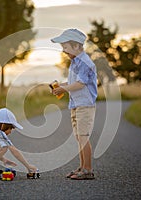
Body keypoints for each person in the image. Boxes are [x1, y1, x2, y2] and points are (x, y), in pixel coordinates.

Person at [51, 28, 97, 180]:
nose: (63, 50)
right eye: (62, 47)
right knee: (79, 137)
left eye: (65, 47)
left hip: (85, 104)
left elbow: (80, 84)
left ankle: (88, 170)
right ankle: (82, 167)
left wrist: (64, 88)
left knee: (83, 136)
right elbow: (72, 83)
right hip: (76, 104)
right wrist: (61, 86)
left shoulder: (84, 62)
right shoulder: (75, 62)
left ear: (77, 46)